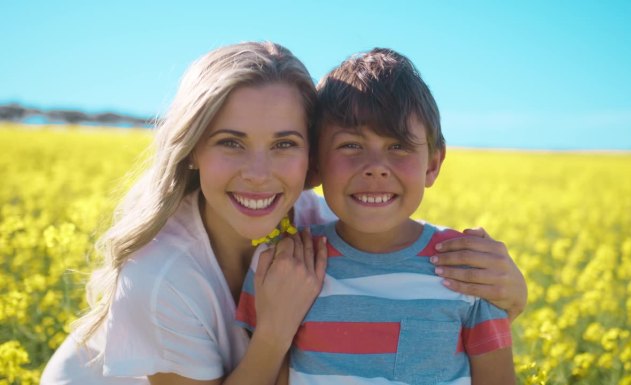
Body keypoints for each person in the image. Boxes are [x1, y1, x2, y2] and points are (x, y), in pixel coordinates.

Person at [41, 42, 525, 385]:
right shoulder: (156, 275)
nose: (258, 173)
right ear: (191, 149)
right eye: (231, 142)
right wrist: (276, 330)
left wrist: (510, 292)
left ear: (311, 159)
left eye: (283, 144)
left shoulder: (313, 222)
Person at [237, 48, 515, 384]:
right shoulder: (283, 264)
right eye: (351, 145)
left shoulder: (469, 267)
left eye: (398, 146)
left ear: (433, 164)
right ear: (315, 162)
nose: (375, 169)